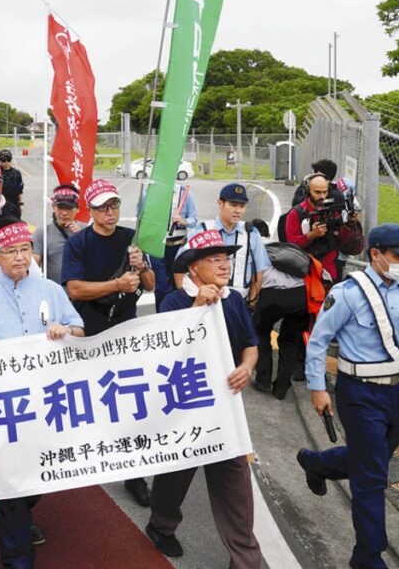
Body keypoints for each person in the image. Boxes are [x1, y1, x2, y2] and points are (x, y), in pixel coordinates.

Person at [295, 223, 399, 569]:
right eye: (396, 256)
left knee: (372, 459)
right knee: (371, 477)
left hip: (396, 391)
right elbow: (319, 338)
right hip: (359, 393)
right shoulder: (348, 293)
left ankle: (317, 463)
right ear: (375, 254)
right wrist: (317, 386)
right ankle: (367, 556)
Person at [0, 217, 84, 569]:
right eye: (11, 251)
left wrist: (66, 330)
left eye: (25, 250)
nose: (20, 258)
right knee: (9, 477)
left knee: (37, 473)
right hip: (1, 403)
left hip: (46, 400)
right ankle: (17, 558)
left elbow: (80, 329)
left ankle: (19, 513)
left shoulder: (52, 290)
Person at [146, 230, 261, 568]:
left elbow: (251, 344)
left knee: (235, 480)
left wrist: (247, 366)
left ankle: (244, 559)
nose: (225, 266)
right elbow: (168, 354)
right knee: (176, 473)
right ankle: (161, 525)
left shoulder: (235, 300)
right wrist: (197, 308)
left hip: (226, 406)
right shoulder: (174, 302)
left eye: (227, 259)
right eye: (216, 260)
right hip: (188, 405)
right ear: (194, 269)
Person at [62, 178, 155, 506]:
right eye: (102, 207)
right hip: (90, 325)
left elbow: (151, 284)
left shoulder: (131, 239)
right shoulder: (79, 242)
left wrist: (141, 265)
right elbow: (73, 289)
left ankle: (134, 475)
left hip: (126, 326)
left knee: (129, 398)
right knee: (88, 396)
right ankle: (85, 457)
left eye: (114, 205)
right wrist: (116, 283)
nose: (110, 212)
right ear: (90, 210)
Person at [184, 184, 270, 310]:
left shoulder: (251, 233)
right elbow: (181, 268)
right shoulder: (202, 231)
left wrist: (252, 302)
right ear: (220, 204)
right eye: (233, 205)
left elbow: (258, 271)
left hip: (241, 303)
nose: (238, 210)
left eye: (242, 206)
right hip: (207, 303)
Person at [250, 219, 310, 399]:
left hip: (272, 295)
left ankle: (263, 379)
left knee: (260, 332)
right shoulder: (280, 247)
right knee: (290, 341)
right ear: (267, 234)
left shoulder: (253, 247)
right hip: (301, 295)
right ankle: (281, 388)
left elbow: (254, 279)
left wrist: (252, 301)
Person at [283, 173, 362, 284]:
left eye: (325, 192)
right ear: (307, 191)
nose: (322, 196)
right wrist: (311, 235)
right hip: (306, 270)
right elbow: (291, 244)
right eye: (317, 192)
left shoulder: (334, 209)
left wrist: (351, 223)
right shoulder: (296, 213)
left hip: (331, 268)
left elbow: (345, 239)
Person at [146, 180, 198, 309]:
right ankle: (161, 315)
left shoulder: (185, 193)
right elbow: (140, 215)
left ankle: (175, 316)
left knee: (177, 284)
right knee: (162, 285)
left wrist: (184, 221)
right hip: (156, 245)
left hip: (176, 246)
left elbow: (194, 219)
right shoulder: (150, 193)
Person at [32, 184, 86, 285]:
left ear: (77, 208)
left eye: (69, 208)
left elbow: (96, 262)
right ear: (53, 207)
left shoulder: (87, 231)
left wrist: (81, 237)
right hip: (53, 294)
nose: (64, 213)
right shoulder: (42, 233)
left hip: (81, 294)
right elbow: (33, 268)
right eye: (60, 207)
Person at [0, 149, 24, 215]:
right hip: (1, 204)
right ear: (0, 161)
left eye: (8, 159)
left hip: (14, 204)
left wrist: (21, 204)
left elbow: (20, 190)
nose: (6, 162)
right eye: (4, 160)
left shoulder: (16, 173)